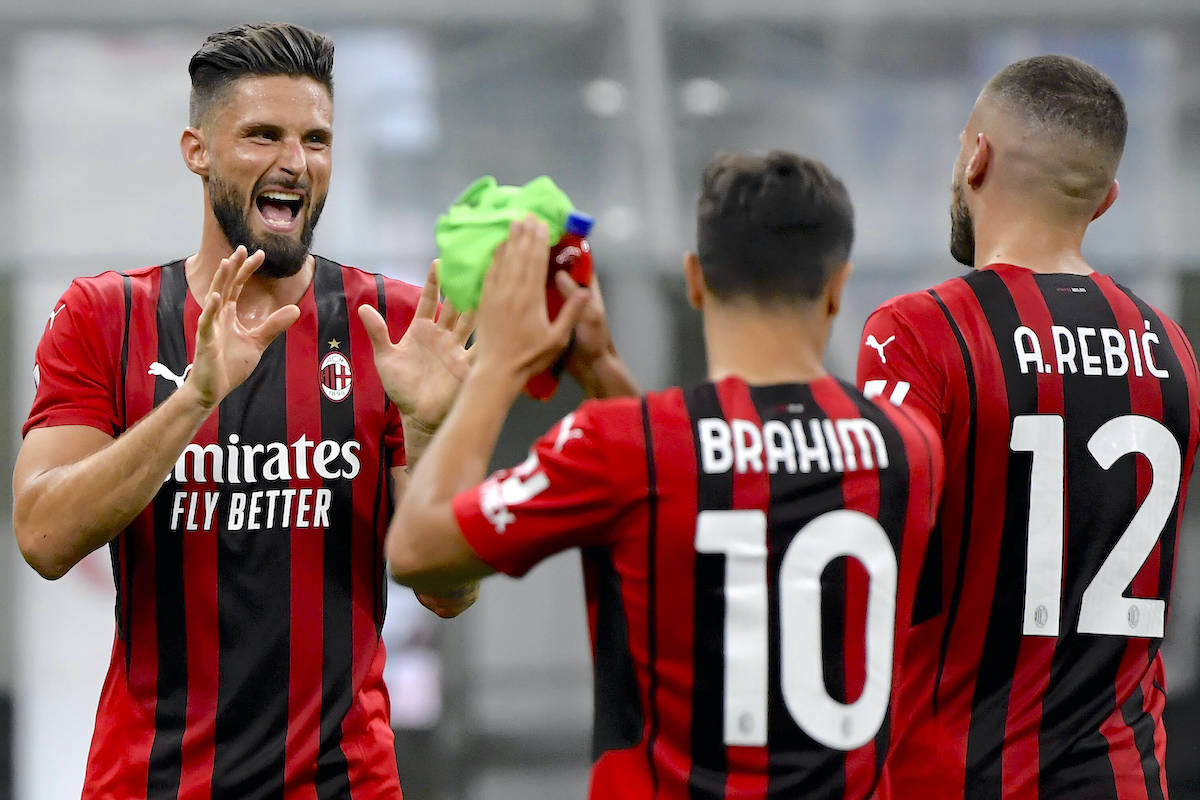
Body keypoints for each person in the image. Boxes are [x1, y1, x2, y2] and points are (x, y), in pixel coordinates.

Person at [12, 23, 480, 799]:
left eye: (315, 139)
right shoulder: (104, 317)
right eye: (262, 135)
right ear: (197, 150)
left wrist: (430, 434)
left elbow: (449, 592)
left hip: (344, 784)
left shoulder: (393, 327)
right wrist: (193, 399)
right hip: (154, 782)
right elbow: (44, 537)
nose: (294, 162)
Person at [387, 151, 944, 798]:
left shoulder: (626, 447)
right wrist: (600, 370)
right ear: (840, 285)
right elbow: (688, 475)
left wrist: (498, 369)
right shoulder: (910, 446)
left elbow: (419, 551)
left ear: (696, 280)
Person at [856, 55, 1200, 798]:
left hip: (954, 778)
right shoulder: (1171, 350)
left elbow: (866, 559)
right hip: (1127, 780)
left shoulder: (919, 332)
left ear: (976, 156)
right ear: (1105, 199)